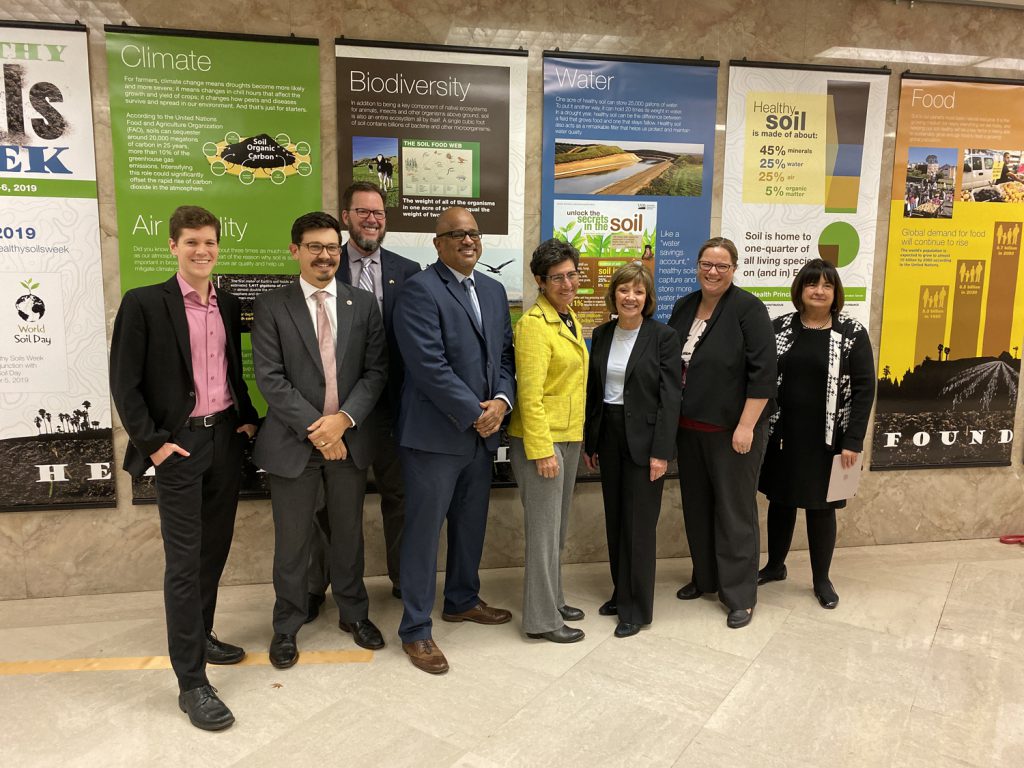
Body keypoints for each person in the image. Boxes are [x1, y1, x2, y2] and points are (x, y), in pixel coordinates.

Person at [109, 205, 258, 731]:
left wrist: (244, 420)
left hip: (223, 441)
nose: (202, 251)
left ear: (219, 247)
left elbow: (228, 372)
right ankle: (191, 681)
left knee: (213, 552)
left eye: (210, 242)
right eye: (191, 242)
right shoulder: (145, 303)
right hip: (179, 448)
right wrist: (153, 444)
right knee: (183, 562)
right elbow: (124, 383)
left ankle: (203, 633)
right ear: (173, 246)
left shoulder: (230, 302)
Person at [252, 212, 387, 668]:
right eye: (314, 247)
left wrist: (343, 421)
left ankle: (355, 613)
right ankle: (287, 624)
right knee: (293, 543)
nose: (325, 255)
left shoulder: (362, 304)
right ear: (296, 251)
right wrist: (320, 429)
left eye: (331, 247)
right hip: (294, 444)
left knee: (349, 536)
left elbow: (375, 373)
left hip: (347, 441)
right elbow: (270, 380)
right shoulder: (273, 306)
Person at [393, 206, 516, 674]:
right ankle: (416, 630)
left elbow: (504, 353)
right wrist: (474, 413)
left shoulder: (494, 289)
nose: (468, 241)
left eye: (474, 234)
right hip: (433, 437)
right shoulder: (420, 291)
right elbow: (427, 365)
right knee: (424, 535)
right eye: (456, 235)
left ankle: (463, 599)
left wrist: (501, 402)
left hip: (481, 436)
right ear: (437, 242)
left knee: (471, 525)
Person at [304, 182, 420, 623]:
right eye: (363, 212)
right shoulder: (327, 267)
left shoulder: (408, 271)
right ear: (346, 217)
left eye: (379, 213)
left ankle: (404, 579)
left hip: (394, 410)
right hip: (339, 413)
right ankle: (318, 585)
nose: (373, 219)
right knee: (328, 505)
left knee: (400, 498)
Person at [667, 237, 776, 629]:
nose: (712, 272)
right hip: (689, 429)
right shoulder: (683, 307)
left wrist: (746, 426)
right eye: (706, 264)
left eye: (721, 266)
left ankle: (740, 595)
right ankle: (706, 578)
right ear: (697, 265)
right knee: (697, 508)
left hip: (733, 431)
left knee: (734, 512)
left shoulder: (748, 309)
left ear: (734, 269)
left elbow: (763, 374)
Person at [757, 259, 875, 609]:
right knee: (780, 501)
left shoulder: (851, 332)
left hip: (830, 439)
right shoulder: (780, 328)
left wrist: (853, 440)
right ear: (801, 290)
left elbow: (865, 388)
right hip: (782, 434)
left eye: (826, 285)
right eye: (812, 284)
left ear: (835, 292)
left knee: (821, 508)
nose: (819, 291)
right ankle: (775, 566)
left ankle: (821, 579)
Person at [584, 262, 681, 638]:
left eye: (638, 291)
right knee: (616, 519)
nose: (631, 297)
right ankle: (620, 592)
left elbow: (670, 398)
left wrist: (662, 452)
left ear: (648, 298)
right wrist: (592, 442)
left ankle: (637, 608)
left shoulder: (663, 336)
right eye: (624, 290)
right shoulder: (603, 333)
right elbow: (596, 393)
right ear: (614, 295)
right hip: (609, 434)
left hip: (646, 439)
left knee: (639, 525)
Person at [507, 239, 589, 644]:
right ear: (540, 282)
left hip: (569, 436)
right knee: (542, 537)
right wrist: (542, 451)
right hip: (542, 442)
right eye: (557, 278)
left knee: (556, 532)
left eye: (572, 274)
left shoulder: (569, 316)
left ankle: (554, 599)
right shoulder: (533, 326)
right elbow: (530, 396)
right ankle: (542, 621)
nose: (567, 283)